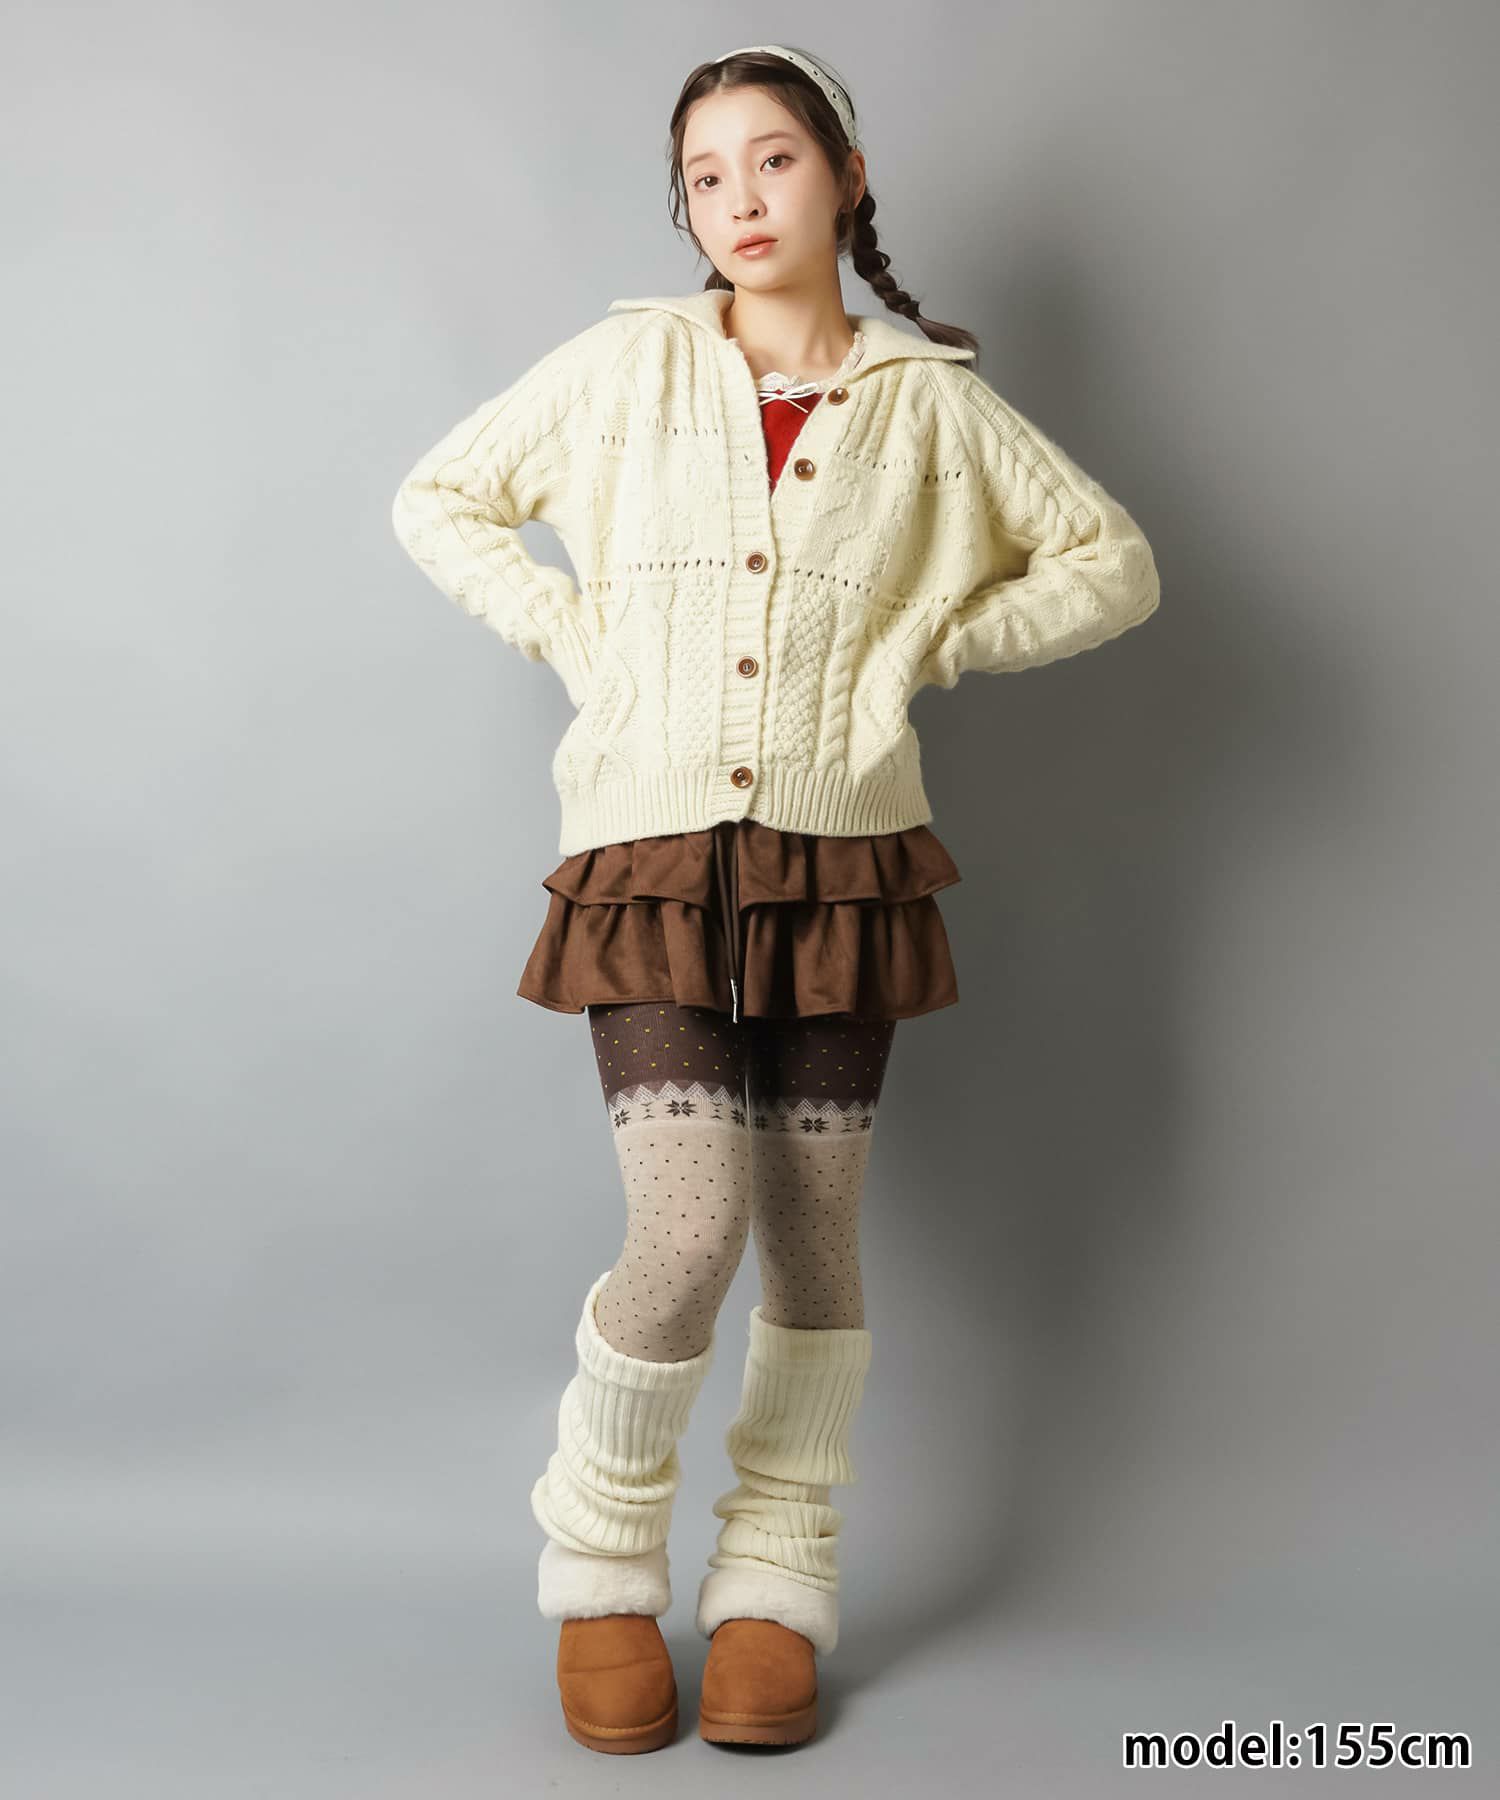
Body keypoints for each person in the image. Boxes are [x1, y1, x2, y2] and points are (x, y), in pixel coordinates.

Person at [390, 42, 1160, 1755]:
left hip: (843, 860)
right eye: (706, 175)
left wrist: (935, 639)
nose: (739, 200)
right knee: (688, 1232)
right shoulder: (627, 368)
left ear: (848, 176)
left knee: (814, 1248)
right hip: (650, 855)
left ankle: (774, 1579)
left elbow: (1111, 560)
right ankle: (602, 1560)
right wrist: (568, 626)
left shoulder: (928, 404)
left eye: (775, 161)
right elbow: (442, 497)